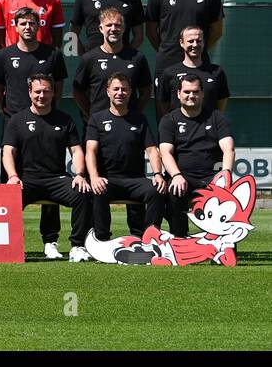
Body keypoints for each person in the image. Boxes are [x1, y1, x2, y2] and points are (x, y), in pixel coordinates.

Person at [1, 74, 92, 262]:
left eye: (46, 91)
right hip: (28, 180)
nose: (41, 95)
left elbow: (76, 150)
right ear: (29, 92)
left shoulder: (64, 119)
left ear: (53, 93)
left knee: (83, 193)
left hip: (56, 179)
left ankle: (77, 246)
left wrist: (80, 174)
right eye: (37, 92)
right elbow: (8, 152)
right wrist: (12, 176)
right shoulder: (17, 120)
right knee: (8, 198)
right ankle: (12, 247)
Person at [84, 73, 165, 241]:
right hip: (108, 180)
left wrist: (157, 174)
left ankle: (150, 239)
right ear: (108, 92)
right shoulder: (97, 119)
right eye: (116, 89)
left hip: (135, 180)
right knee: (98, 190)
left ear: (130, 93)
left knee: (157, 190)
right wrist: (94, 177)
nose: (120, 92)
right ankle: (102, 240)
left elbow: (151, 149)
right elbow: (90, 150)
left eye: (124, 89)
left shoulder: (139, 119)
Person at [158, 74, 235, 235]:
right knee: (175, 188)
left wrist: (225, 176)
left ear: (202, 93)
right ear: (178, 94)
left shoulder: (217, 118)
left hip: (212, 178)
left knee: (226, 194)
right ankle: (180, 240)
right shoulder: (168, 120)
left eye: (195, 92)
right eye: (186, 92)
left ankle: (222, 246)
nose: (191, 95)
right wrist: (176, 175)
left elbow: (228, 149)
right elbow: (165, 153)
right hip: (183, 177)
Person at [72, 8, 151, 119]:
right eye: (109, 25)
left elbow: (146, 91)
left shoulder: (137, 58)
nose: (113, 29)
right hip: (98, 125)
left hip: (129, 123)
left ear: (124, 28)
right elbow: (77, 90)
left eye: (117, 25)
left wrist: (135, 114)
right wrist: (91, 115)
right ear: (100, 28)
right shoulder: (89, 58)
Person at [0, 7, 67, 122]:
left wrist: (49, 108)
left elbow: (58, 86)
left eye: (31, 23)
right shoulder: (3, 55)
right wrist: (3, 110)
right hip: (13, 119)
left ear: (38, 26)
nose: (27, 27)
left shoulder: (53, 54)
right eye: (23, 24)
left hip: (45, 119)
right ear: (16, 27)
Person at [154, 25, 231, 116]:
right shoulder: (169, 73)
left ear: (203, 43)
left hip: (208, 128)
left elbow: (221, 101)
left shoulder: (216, 72)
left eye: (198, 41)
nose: (195, 45)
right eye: (190, 41)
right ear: (181, 43)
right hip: (179, 129)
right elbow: (163, 104)